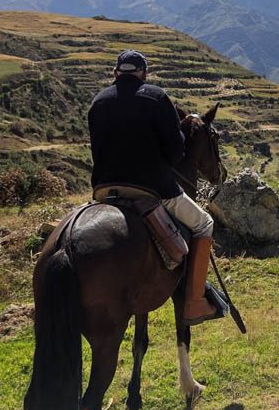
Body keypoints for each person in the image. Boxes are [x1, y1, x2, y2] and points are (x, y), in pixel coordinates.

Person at [87, 50, 224, 326]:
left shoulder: (97, 102)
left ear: (115, 73)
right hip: (151, 189)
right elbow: (176, 153)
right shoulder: (156, 97)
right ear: (144, 74)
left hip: (104, 190)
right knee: (204, 223)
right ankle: (195, 302)